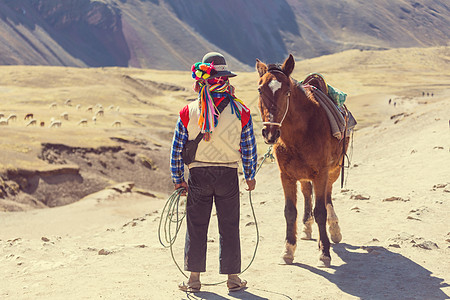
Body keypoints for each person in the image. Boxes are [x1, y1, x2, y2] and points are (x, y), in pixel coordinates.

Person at [170, 52, 257, 293]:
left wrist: (178, 179)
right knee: (229, 225)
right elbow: (248, 146)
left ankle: (194, 280)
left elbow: (177, 147)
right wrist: (249, 175)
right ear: (225, 78)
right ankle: (232, 278)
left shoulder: (188, 111)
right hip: (228, 174)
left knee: (197, 225)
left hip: (198, 174)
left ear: (203, 80)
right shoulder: (242, 111)